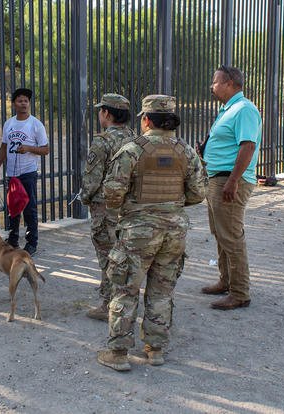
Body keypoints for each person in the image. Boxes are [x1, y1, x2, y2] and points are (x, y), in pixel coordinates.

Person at [96, 95, 207, 371]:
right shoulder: (186, 152)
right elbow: (199, 192)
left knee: (125, 289)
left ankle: (119, 353)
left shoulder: (133, 149)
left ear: (146, 119)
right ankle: (155, 349)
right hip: (174, 232)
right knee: (162, 290)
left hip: (138, 232)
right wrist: (172, 207)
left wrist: (132, 209)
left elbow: (112, 192)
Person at [200, 65, 262, 310]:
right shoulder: (229, 109)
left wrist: (233, 181)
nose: (212, 86)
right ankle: (225, 281)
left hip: (229, 180)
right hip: (218, 178)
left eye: (215, 82)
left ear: (230, 83)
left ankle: (240, 292)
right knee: (221, 233)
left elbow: (247, 146)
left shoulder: (244, 110)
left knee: (232, 237)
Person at [81, 93, 135, 321]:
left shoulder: (102, 141)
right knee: (125, 253)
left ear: (107, 114)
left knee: (107, 255)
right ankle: (124, 297)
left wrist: (85, 197)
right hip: (129, 206)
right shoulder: (135, 138)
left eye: (100, 111)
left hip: (105, 208)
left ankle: (108, 304)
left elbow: (92, 178)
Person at [0, 88, 49, 256]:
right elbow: (3, 148)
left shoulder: (36, 124)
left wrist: (29, 148)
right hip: (12, 173)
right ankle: (13, 238)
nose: (23, 104)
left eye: (26, 101)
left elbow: (46, 149)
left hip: (28, 172)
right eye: (20, 101)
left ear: (29, 104)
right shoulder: (9, 124)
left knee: (29, 208)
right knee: (13, 207)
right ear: (14, 103)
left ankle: (32, 242)